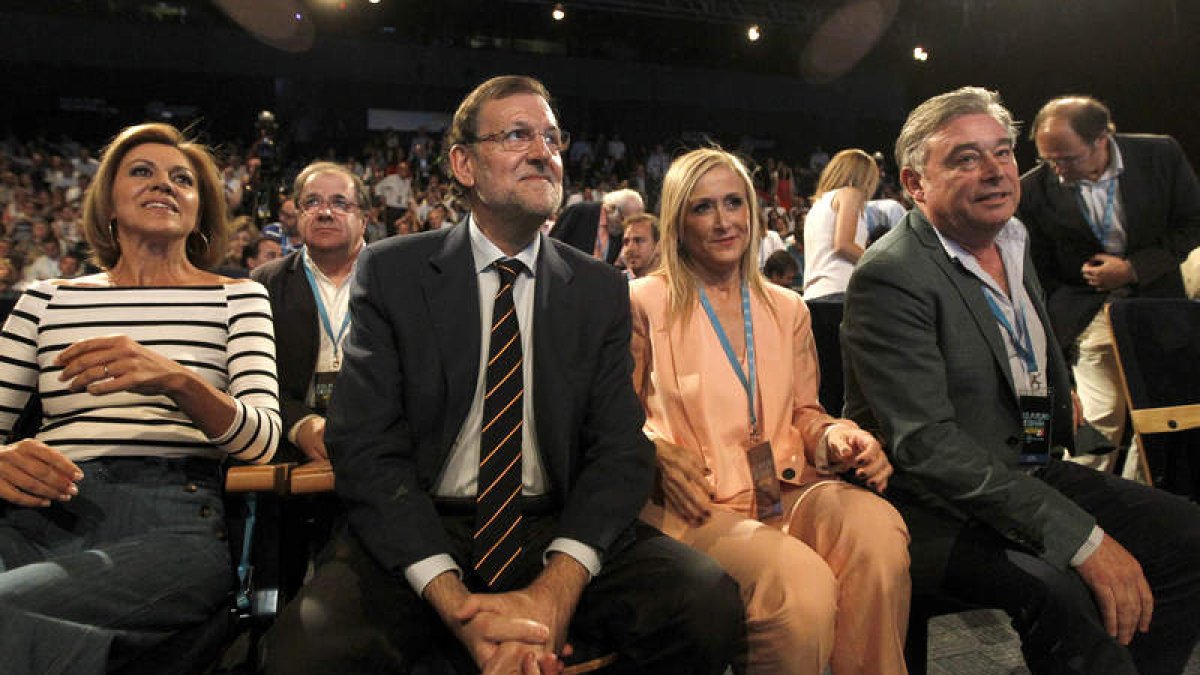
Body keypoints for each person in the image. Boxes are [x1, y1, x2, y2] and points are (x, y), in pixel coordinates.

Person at [261, 75, 742, 675]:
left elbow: (619, 452)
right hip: (424, 521)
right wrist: (457, 604)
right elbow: (363, 445)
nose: (544, 151)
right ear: (463, 164)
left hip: (552, 526)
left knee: (706, 605)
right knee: (300, 659)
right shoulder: (394, 271)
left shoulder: (598, 289)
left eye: (551, 137)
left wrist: (554, 594)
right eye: (517, 135)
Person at [842, 86, 1200, 675]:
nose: (995, 172)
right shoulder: (892, 276)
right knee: (1067, 593)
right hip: (935, 503)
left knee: (1189, 539)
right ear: (914, 183)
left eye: (1003, 152)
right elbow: (927, 446)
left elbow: (1018, 347)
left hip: (1025, 466)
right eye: (965, 158)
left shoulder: (1011, 237)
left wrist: (1061, 394)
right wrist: (1083, 540)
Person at [0, 122, 280, 673]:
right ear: (107, 199)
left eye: (183, 179)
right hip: (44, 508)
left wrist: (175, 378)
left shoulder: (238, 297)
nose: (164, 185)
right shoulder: (44, 299)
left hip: (173, 519)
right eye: (142, 172)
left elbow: (263, 440)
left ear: (200, 210)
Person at [631, 147, 909, 675]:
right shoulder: (644, 301)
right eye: (703, 207)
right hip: (697, 503)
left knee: (878, 532)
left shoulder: (788, 308)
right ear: (677, 221)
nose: (723, 221)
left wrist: (836, 437)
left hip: (783, 486)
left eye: (734, 202)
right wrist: (655, 450)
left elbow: (805, 412)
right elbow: (612, 421)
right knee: (800, 587)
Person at [1018, 96, 1200, 473]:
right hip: (1088, 316)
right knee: (1099, 423)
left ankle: (1144, 508)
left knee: (1157, 421)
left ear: (1102, 138)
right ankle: (1086, 514)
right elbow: (1041, 275)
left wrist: (1134, 268)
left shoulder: (1160, 155)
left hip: (1155, 306)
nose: (1059, 171)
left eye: (1067, 158)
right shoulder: (1033, 189)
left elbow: (1193, 223)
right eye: (1048, 160)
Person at [253, 161, 367, 464]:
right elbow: (251, 380)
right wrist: (299, 425)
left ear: (364, 219)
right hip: (290, 453)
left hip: (379, 452)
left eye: (340, 203)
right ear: (299, 215)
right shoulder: (263, 283)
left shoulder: (398, 279)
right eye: (312, 202)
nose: (325, 212)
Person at [802, 149, 879, 303]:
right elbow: (844, 245)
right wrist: (882, 264)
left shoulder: (818, 204)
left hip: (814, 295)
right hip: (839, 292)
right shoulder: (850, 194)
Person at [551, 187, 644, 265]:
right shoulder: (580, 212)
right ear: (612, 209)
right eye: (624, 221)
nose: (626, 228)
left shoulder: (618, 232)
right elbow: (552, 244)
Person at [618, 212, 660, 279]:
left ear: (659, 246)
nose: (630, 248)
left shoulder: (674, 284)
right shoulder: (615, 283)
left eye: (638, 240)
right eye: (626, 242)